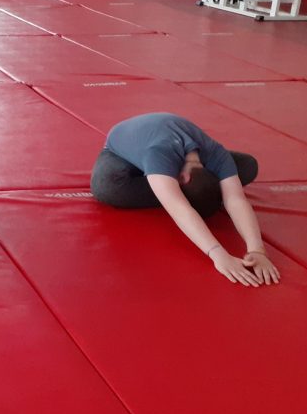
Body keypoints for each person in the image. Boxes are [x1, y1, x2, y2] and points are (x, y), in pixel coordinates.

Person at [90, 113, 280, 287]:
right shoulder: (159, 153)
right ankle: (163, 187)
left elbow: (236, 200)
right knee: (107, 188)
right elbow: (179, 208)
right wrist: (218, 254)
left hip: (162, 143)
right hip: (122, 149)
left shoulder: (216, 154)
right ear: (183, 180)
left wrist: (257, 250)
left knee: (248, 166)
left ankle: (164, 186)